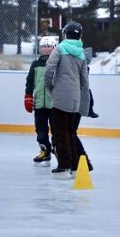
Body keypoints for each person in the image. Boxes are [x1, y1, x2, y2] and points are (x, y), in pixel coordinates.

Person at [45, 21, 92, 179]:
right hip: (75, 99)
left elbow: (49, 68)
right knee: (71, 132)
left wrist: (50, 87)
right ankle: (75, 166)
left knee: (60, 133)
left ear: (65, 34)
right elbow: (84, 80)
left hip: (60, 97)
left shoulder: (60, 48)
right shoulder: (81, 53)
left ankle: (64, 166)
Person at [24, 36, 56, 167]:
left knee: (57, 131)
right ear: (40, 49)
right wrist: (28, 96)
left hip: (54, 104)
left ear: (54, 48)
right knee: (41, 131)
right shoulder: (35, 64)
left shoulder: (57, 63)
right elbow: (29, 81)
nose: (46, 49)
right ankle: (45, 151)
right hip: (39, 104)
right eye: (44, 46)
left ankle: (59, 152)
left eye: (49, 47)